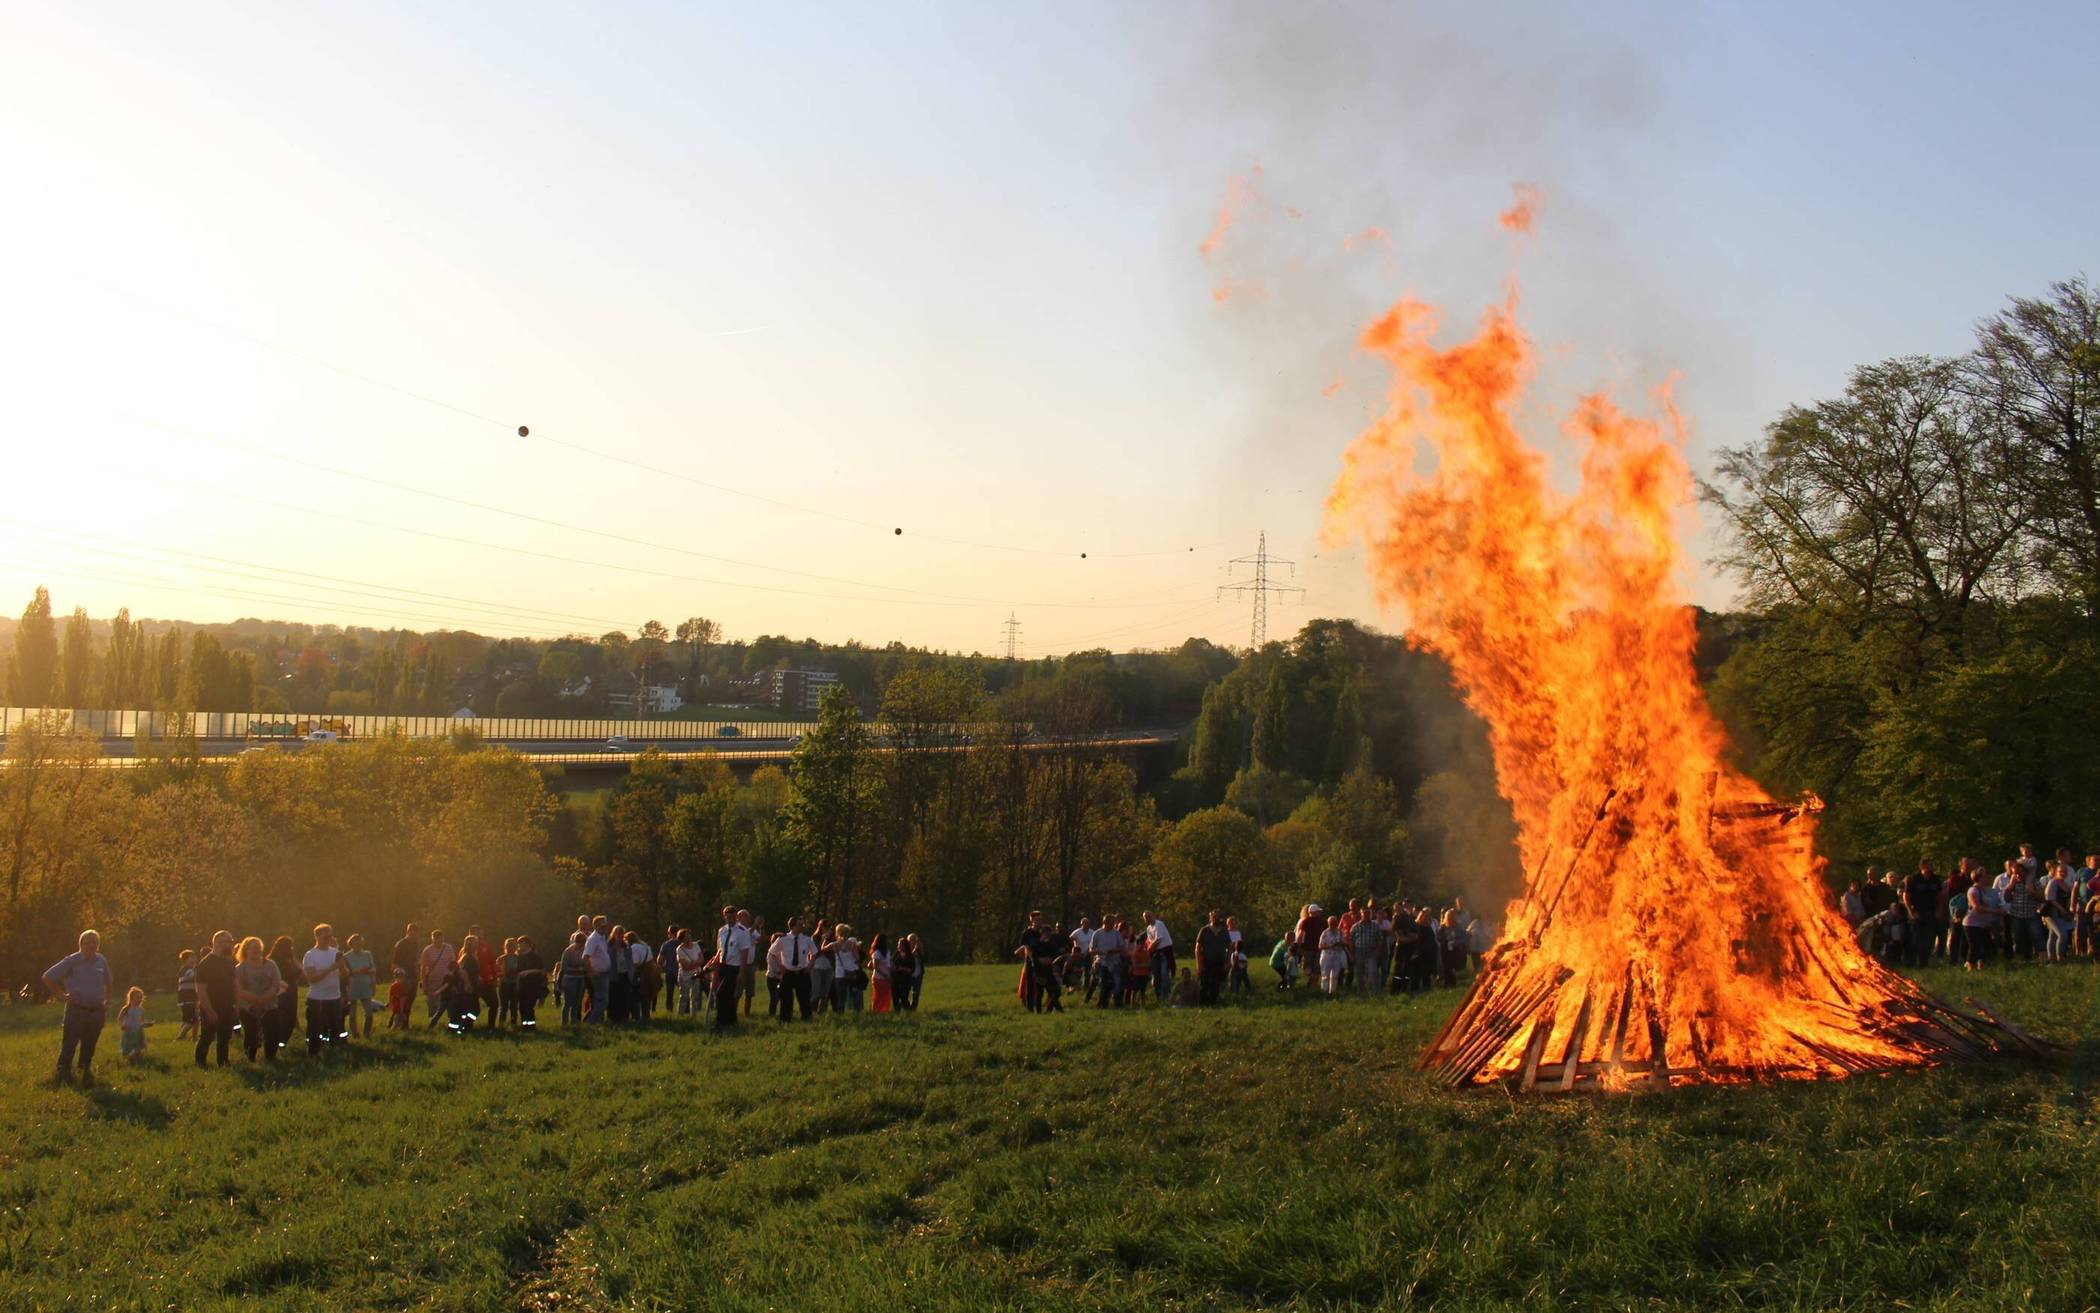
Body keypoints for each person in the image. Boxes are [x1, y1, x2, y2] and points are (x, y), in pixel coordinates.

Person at [44, 930, 115, 1085]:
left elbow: (108, 982)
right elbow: (48, 977)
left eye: (94, 942)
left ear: (98, 945)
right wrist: (62, 996)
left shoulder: (101, 960)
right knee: (70, 1043)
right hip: (76, 1010)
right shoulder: (72, 961)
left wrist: (107, 1002)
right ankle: (63, 1074)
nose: (91, 945)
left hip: (97, 1010)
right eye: (88, 942)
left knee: (90, 1044)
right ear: (81, 944)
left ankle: (84, 1072)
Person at [235, 936, 286, 1062]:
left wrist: (265, 999)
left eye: (259, 948)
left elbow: (276, 983)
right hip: (248, 1007)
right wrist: (256, 1000)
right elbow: (238, 989)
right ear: (246, 950)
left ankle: (271, 1057)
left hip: (270, 1005)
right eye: (254, 948)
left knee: (273, 1033)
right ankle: (250, 1058)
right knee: (251, 1034)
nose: (257, 950)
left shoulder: (270, 965)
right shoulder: (240, 968)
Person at [193, 931, 238, 1067]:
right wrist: (209, 1010)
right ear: (218, 943)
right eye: (229, 942)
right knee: (207, 1037)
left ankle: (223, 1062)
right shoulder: (205, 964)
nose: (231, 945)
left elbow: (235, 984)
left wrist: (237, 1004)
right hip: (211, 1007)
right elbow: (201, 990)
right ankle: (200, 1062)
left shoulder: (229, 962)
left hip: (228, 1006)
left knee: (225, 1037)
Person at [300, 924, 345, 1057]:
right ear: (317, 936)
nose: (328, 939)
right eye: (325, 936)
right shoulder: (310, 955)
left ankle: (334, 1052)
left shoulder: (335, 953)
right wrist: (332, 968)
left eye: (330, 936)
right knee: (315, 1028)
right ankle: (314, 1053)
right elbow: (312, 978)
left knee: (335, 1027)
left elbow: (345, 976)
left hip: (334, 997)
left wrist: (341, 967)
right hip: (317, 998)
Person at [712, 907, 757, 1028]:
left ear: (736, 917)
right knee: (729, 996)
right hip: (723, 965)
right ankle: (732, 1021)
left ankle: (720, 1022)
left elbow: (744, 953)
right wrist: (715, 965)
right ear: (724, 917)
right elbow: (719, 950)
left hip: (735, 967)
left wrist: (741, 972)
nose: (730, 919)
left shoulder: (742, 932)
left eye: (732, 917)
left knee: (721, 994)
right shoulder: (722, 931)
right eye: (727, 917)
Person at [772, 916, 816, 1020]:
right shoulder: (783, 940)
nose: (802, 927)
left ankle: (806, 1018)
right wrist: (781, 965)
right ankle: (786, 1019)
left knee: (804, 997)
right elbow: (772, 953)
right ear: (792, 926)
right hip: (788, 972)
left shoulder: (806, 940)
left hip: (802, 972)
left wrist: (809, 966)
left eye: (802, 925)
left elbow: (814, 953)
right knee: (786, 998)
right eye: (799, 925)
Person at [267, 936, 302, 1053]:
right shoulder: (273, 961)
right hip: (280, 993)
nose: (291, 949)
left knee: (291, 1019)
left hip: (291, 992)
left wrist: (294, 959)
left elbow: (300, 972)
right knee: (282, 1019)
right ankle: (277, 1043)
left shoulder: (289, 960)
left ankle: (282, 1042)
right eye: (290, 947)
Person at [342, 934, 378, 1038]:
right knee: (352, 1014)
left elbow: (372, 969)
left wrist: (373, 984)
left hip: (365, 985)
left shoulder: (367, 954)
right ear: (351, 944)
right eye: (355, 943)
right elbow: (347, 972)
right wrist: (360, 971)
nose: (358, 945)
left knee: (369, 1013)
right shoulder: (346, 957)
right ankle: (355, 1034)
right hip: (352, 986)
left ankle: (366, 1033)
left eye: (360, 942)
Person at [1194, 910, 1231, 1005]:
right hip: (1206, 961)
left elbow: (1229, 948)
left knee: (1216, 984)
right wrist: (1199, 965)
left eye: (1217, 917)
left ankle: (1213, 1004)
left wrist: (1227, 962)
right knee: (1204, 985)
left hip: (1219, 961)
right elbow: (1197, 948)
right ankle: (1202, 1004)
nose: (1216, 919)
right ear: (1210, 918)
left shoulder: (1224, 931)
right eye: (1214, 917)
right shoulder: (1204, 930)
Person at [513, 935, 548, 1029]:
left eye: (522, 944)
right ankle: (524, 1024)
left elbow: (542, 971)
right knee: (521, 1006)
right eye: (519, 944)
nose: (520, 946)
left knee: (529, 1006)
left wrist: (543, 983)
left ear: (528, 945)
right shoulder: (517, 957)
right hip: (521, 985)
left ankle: (531, 1025)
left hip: (532, 985)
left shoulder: (535, 957)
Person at [420, 929, 454, 1025]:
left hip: (447, 980)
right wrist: (424, 984)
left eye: (440, 939)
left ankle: (451, 1021)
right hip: (433, 981)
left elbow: (453, 964)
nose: (438, 942)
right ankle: (432, 1022)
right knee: (432, 1003)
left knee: (450, 1001)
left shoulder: (449, 948)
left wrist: (453, 978)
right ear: (432, 939)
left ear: (443, 938)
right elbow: (423, 968)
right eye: (436, 940)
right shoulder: (427, 950)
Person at [582, 917, 613, 1022]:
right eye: (603, 926)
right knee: (603, 1001)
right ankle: (591, 1022)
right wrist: (591, 972)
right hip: (598, 974)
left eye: (606, 926)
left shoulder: (602, 937)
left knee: (599, 1001)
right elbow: (585, 957)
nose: (605, 928)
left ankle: (589, 1020)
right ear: (596, 926)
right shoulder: (593, 939)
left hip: (604, 973)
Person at [1349, 909, 1386, 997]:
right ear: (1361, 914)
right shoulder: (1355, 926)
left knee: (1373, 972)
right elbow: (1351, 941)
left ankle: (1376, 991)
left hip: (1371, 952)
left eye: (1368, 914)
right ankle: (1360, 990)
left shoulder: (1375, 926)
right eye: (1364, 913)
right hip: (1359, 951)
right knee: (1359, 972)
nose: (1366, 915)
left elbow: (1380, 940)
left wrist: (1377, 952)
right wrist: (1352, 953)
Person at [1091, 915, 1126, 1007]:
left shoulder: (1116, 933)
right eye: (1111, 923)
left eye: (1113, 923)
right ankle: (1103, 1003)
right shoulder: (1097, 933)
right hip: (1102, 962)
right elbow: (1091, 949)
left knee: (1117, 983)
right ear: (1105, 922)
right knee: (1103, 984)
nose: (1113, 925)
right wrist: (1101, 952)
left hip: (1115, 962)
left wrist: (1114, 951)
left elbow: (1122, 947)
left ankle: (1118, 1003)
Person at [557, 931, 589, 1025]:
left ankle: (574, 1021)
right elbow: (564, 967)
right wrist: (559, 982)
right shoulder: (568, 951)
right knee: (568, 1003)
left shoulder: (584, 950)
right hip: (570, 979)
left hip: (581, 979)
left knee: (577, 1002)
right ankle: (564, 1022)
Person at [390, 923, 421, 1018]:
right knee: (402, 1000)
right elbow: (394, 962)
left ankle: (404, 1021)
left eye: (416, 934)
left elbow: (416, 960)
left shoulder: (415, 944)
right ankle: (395, 1021)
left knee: (410, 1000)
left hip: (413, 975)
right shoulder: (400, 944)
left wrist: (418, 976)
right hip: (403, 976)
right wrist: (399, 977)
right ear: (408, 932)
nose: (414, 935)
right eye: (412, 933)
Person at [832, 924, 864, 1013]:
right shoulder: (852, 944)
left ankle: (840, 1014)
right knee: (855, 995)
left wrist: (824, 940)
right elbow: (857, 958)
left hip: (839, 973)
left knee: (841, 997)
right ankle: (857, 1013)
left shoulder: (834, 944)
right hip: (851, 971)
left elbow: (823, 949)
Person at [1144, 911, 1175, 1002]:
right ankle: (1159, 997)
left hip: (1164, 953)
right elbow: (1150, 941)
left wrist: (1149, 949)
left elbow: (1158, 939)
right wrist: (1149, 949)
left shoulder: (1159, 924)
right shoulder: (1149, 928)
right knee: (1156, 976)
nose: (1147, 918)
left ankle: (1167, 996)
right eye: (1145, 917)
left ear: (1153, 916)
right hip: (1156, 954)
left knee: (1164, 975)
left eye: (1148, 916)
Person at [675, 929, 707, 1015]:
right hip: (684, 976)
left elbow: (702, 959)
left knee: (695, 997)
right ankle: (680, 1015)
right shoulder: (679, 949)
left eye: (689, 935)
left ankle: (694, 1016)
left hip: (696, 974)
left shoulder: (696, 945)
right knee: (684, 997)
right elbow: (685, 967)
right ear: (682, 939)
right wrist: (696, 963)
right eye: (686, 936)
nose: (689, 938)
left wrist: (693, 963)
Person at [740, 915, 766, 1018]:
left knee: (749, 992)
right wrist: (755, 925)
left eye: (747, 916)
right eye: (743, 916)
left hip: (750, 965)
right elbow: (746, 935)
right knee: (737, 991)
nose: (746, 918)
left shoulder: (752, 930)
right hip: (740, 965)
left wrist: (761, 927)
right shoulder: (739, 930)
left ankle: (747, 1014)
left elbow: (761, 939)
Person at [1318, 918, 1348, 996]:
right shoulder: (1325, 932)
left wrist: (1340, 943)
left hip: (1337, 955)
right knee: (1325, 975)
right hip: (1327, 955)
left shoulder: (1340, 932)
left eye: (1334, 923)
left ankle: (1332, 991)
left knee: (1335, 975)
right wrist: (1329, 946)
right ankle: (1324, 991)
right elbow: (1320, 946)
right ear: (1328, 923)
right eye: (1331, 923)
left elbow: (1345, 943)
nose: (1332, 925)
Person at [811, 921, 836, 1017]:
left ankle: (821, 1013)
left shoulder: (832, 940)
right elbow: (814, 953)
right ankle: (812, 1012)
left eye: (830, 928)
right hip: (816, 967)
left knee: (825, 993)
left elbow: (833, 955)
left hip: (828, 968)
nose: (828, 930)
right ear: (821, 928)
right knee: (816, 992)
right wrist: (822, 941)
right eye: (826, 927)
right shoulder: (814, 938)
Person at [118, 986, 148, 1061]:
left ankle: (137, 1055)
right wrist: (122, 1025)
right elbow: (120, 1018)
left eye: (141, 997)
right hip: (128, 1030)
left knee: (137, 1044)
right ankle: (126, 1057)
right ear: (131, 998)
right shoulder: (126, 1008)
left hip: (137, 1030)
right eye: (137, 997)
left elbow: (141, 1020)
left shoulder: (140, 1009)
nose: (139, 999)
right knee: (127, 1045)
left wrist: (145, 1024)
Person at [658, 924, 682, 1016]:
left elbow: (660, 959)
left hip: (670, 971)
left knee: (669, 993)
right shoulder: (682, 943)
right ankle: (685, 1011)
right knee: (684, 992)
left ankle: (669, 1011)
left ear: (670, 933)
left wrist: (663, 967)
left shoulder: (666, 944)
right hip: (681, 971)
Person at [891, 933, 919, 1011]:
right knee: (895, 998)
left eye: (900, 945)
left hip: (905, 980)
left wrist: (901, 968)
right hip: (895, 979)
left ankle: (908, 1012)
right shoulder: (896, 954)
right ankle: (897, 1012)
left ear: (905, 946)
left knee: (904, 998)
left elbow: (911, 970)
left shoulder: (910, 956)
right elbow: (892, 963)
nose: (899, 946)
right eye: (898, 944)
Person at [176, 949, 199, 1041]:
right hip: (187, 999)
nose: (194, 959)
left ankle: (194, 1038)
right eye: (192, 957)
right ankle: (180, 1037)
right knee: (192, 1020)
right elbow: (194, 976)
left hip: (191, 998)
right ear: (185, 960)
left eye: (195, 957)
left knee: (189, 1019)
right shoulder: (187, 970)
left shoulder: (188, 969)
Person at [869, 933, 895, 1014]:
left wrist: (891, 973)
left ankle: (883, 1011)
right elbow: (876, 967)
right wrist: (885, 975)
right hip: (878, 978)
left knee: (886, 997)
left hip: (887, 978)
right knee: (878, 996)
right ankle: (876, 1012)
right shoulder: (876, 953)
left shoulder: (887, 952)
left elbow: (890, 964)